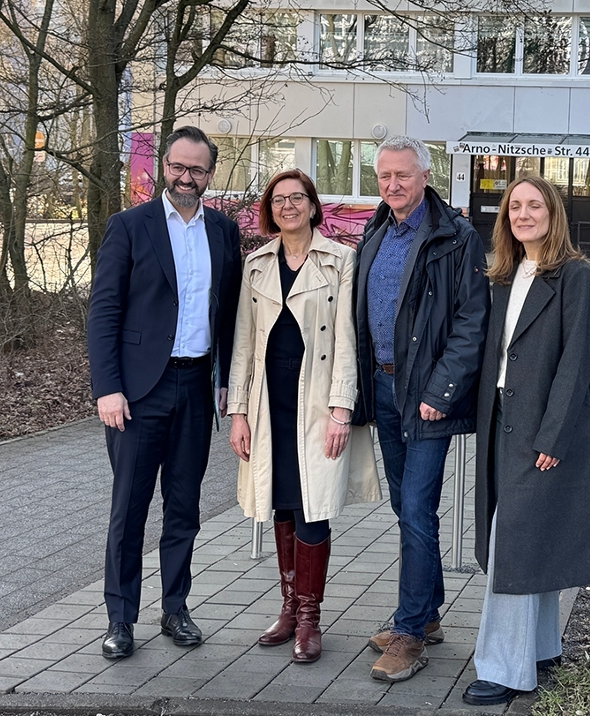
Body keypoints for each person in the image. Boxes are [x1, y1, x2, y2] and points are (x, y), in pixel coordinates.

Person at [87, 126, 242, 659]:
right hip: (137, 393)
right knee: (129, 509)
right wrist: (107, 388)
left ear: (210, 174)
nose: (186, 177)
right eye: (178, 167)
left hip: (196, 386)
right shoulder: (129, 227)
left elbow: (229, 315)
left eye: (197, 169)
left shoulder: (224, 231)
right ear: (163, 166)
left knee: (185, 506)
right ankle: (120, 619)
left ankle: (175, 607)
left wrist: (227, 381)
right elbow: (104, 312)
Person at [462, 175, 590, 705]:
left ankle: (504, 667)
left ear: (553, 214)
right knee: (529, 536)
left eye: (534, 206)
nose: (523, 214)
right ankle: (542, 645)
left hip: (541, 428)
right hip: (502, 419)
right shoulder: (504, 274)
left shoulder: (574, 278)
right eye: (514, 206)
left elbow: (578, 363)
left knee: (514, 544)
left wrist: (555, 435)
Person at [227, 169, 380, 664]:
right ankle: (289, 608)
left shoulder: (341, 261)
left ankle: (311, 618)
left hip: (317, 404)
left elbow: (346, 339)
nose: (288, 206)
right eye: (278, 200)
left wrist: (341, 408)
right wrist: (237, 412)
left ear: (313, 207)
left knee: (314, 505)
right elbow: (243, 346)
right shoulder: (256, 264)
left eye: (298, 198)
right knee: (282, 504)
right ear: (269, 210)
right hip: (268, 403)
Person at [353, 135, 490, 682]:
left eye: (402, 176)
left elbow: (470, 322)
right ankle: (427, 613)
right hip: (383, 391)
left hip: (427, 397)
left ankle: (410, 632)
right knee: (404, 508)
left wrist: (441, 391)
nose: (391, 186)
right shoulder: (377, 228)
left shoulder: (456, 238)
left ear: (425, 176)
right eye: (384, 176)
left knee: (415, 509)